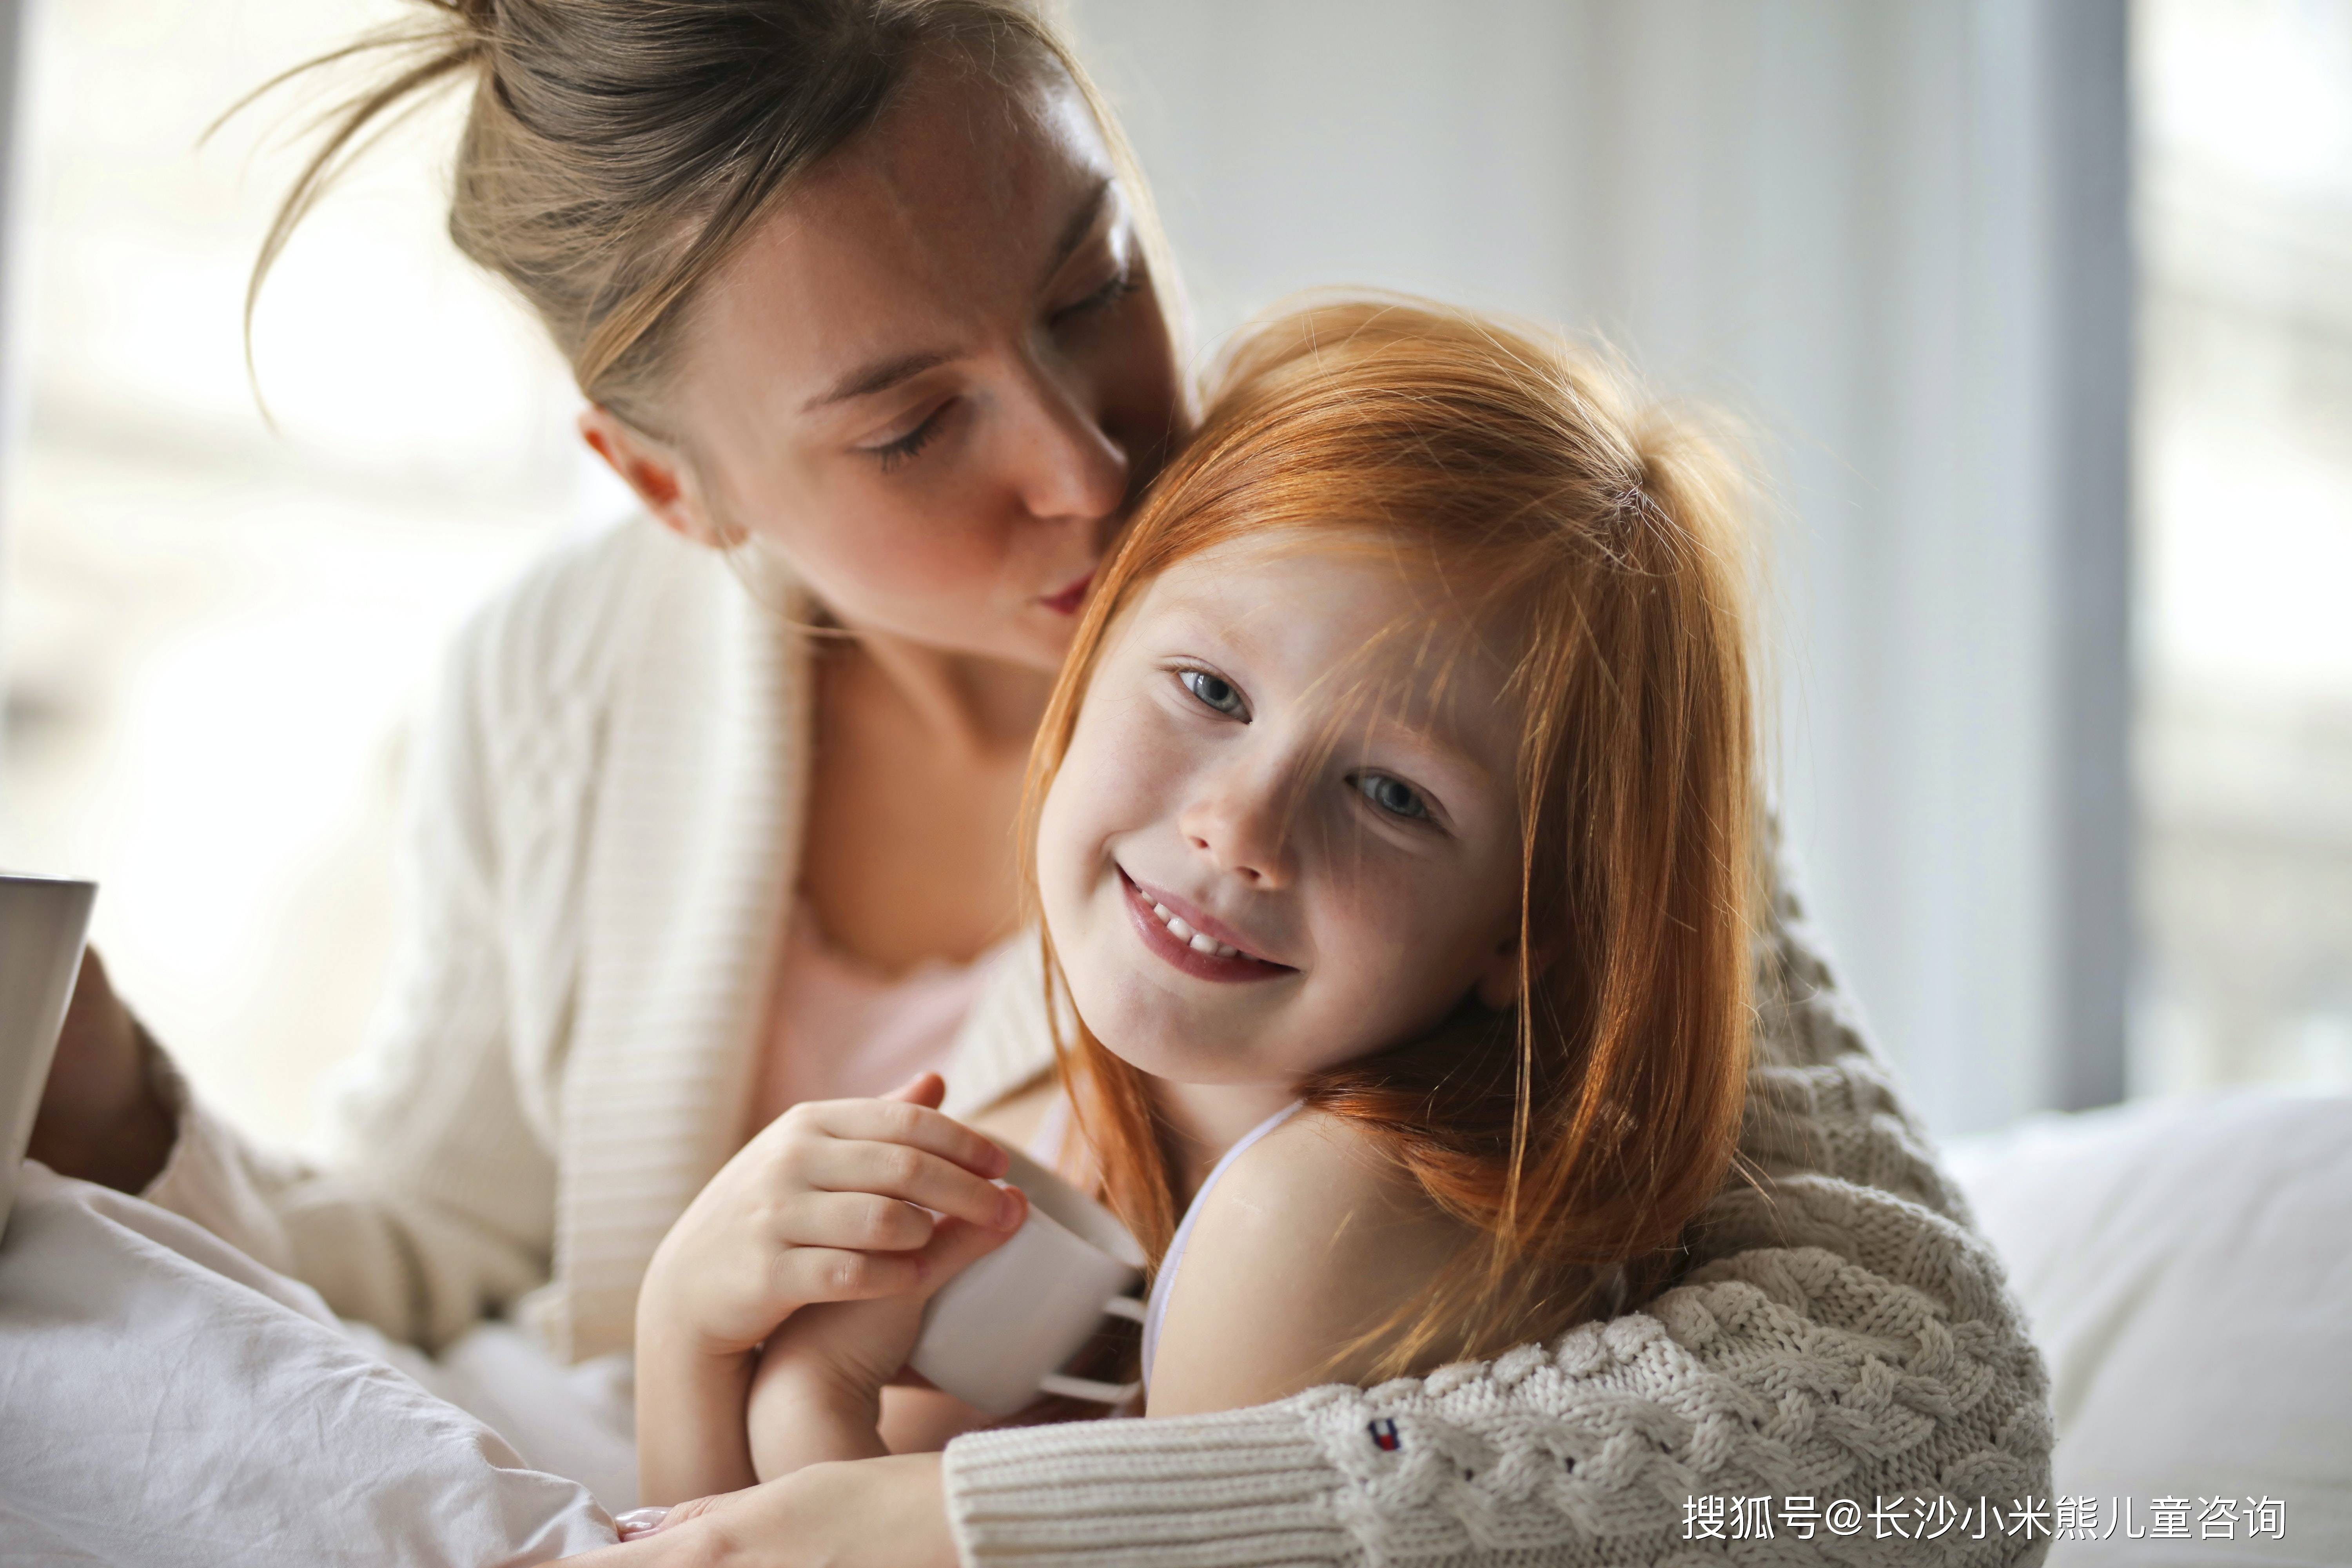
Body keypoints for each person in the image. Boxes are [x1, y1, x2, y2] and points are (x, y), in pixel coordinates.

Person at [28, 2, 2053, 1563]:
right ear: (672, 485)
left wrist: (985, 1531)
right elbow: (437, 1255)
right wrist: (110, 1104)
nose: (1092, 463)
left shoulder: (1430, 596)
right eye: (913, 426)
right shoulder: (559, 680)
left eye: (1093, 283)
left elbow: (1931, 1418)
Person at [642, 296, 1768, 1499]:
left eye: (1394, 794)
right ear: (1090, 651)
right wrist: (689, 1340)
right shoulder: (1083, 1116)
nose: (1239, 831)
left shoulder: (1325, 1224)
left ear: (1524, 931)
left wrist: (804, 1402)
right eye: (1210, 690)